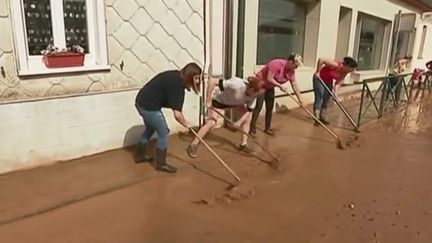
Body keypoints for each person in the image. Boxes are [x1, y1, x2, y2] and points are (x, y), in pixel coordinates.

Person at [134, 62, 202, 173]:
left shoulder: (177, 77)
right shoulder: (177, 86)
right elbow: (177, 115)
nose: (198, 81)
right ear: (189, 76)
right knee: (164, 132)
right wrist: (187, 124)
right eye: (196, 78)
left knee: (150, 128)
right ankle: (161, 164)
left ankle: (139, 155)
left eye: (199, 78)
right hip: (148, 106)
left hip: (141, 101)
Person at [186, 76, 265, 158]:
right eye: (257, 94)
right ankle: (193, 144)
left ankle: (243, 145)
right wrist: (208, 100)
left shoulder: (253, 97)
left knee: (247, 119)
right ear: (251, 89)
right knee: (212, 122)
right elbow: (212, 81)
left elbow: (249, 111)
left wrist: (239, 122)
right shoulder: (236, 84)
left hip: (234, 104)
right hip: (219, 103)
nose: (257, 97)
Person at [249, 53, 304, 136]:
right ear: (290, 62)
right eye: (296, 65)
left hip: (270, 86)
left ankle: (267, 128)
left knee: (270, 106)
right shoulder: (276, 64)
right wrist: (279, 86)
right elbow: (269, 78)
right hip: (261, 83)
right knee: (259, 106)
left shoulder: (291, 72)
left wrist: (300, 99)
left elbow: (294, 84)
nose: (296, 68)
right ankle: (252, 128)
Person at [313, 57, 358, 125]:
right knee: (320, 95)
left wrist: (335, 94)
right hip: (319, 78)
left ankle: (322, 116)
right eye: (350, 69)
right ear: (347, 66)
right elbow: (321, 59)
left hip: (328, 81)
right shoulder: (336, 65)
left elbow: (337, 84)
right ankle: (316, 118)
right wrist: (318, 71)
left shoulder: (344, 73)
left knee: (327, 98)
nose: (350, 72)